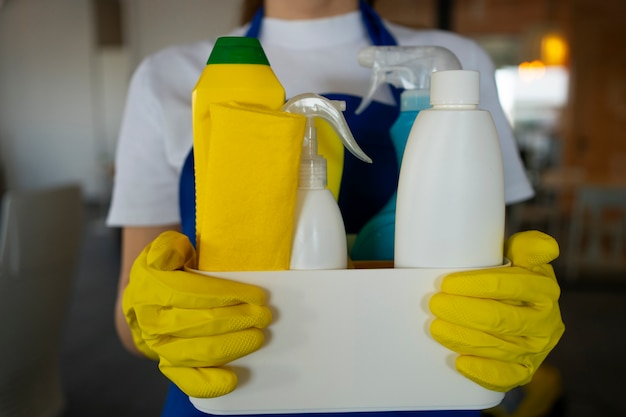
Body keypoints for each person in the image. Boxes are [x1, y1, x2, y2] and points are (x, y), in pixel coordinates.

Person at [106, 1, 564, 416]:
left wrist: (517, 312)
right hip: (232, 388)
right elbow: (133, 312)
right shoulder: (167, 75)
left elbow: (486, 261)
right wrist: (153, 320)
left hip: (425, 390)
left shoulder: (455, 60)